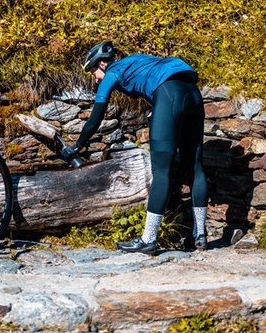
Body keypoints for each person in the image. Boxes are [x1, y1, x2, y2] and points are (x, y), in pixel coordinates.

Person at [62, 41, 208, 253]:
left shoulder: (112, 73)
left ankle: (149, 239)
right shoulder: (135, 60)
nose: (94, 78)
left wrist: (77, 145)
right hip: (193, 94)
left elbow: (96, 117)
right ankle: (200, 235)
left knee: (161, 172)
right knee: (195, 168)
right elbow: (154, 78)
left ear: (102, 64)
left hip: (168, 94)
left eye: (93, 71)